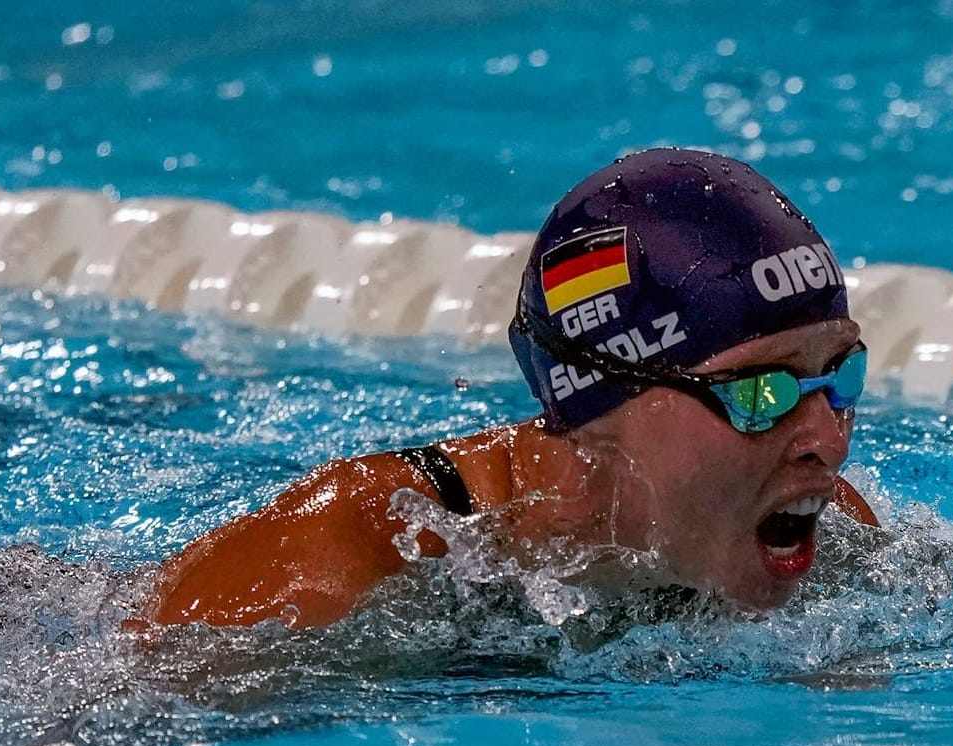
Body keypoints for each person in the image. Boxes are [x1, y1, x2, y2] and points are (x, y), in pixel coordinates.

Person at [141, 148, 878, 629]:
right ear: (602, 402)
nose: (826, 440)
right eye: (761, 392)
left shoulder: (823, 532)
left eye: (839, 375)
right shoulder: (341, 563)